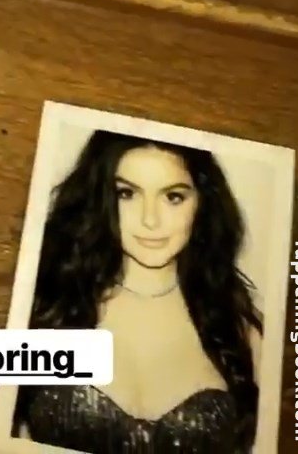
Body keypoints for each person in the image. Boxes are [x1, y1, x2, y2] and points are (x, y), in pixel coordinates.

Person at [14, 131, 263, 453]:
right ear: (100, 197)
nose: (150, 220)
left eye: (173, 197)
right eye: (127, 193)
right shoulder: (40, 301)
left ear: (202, 203)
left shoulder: (242, 329)